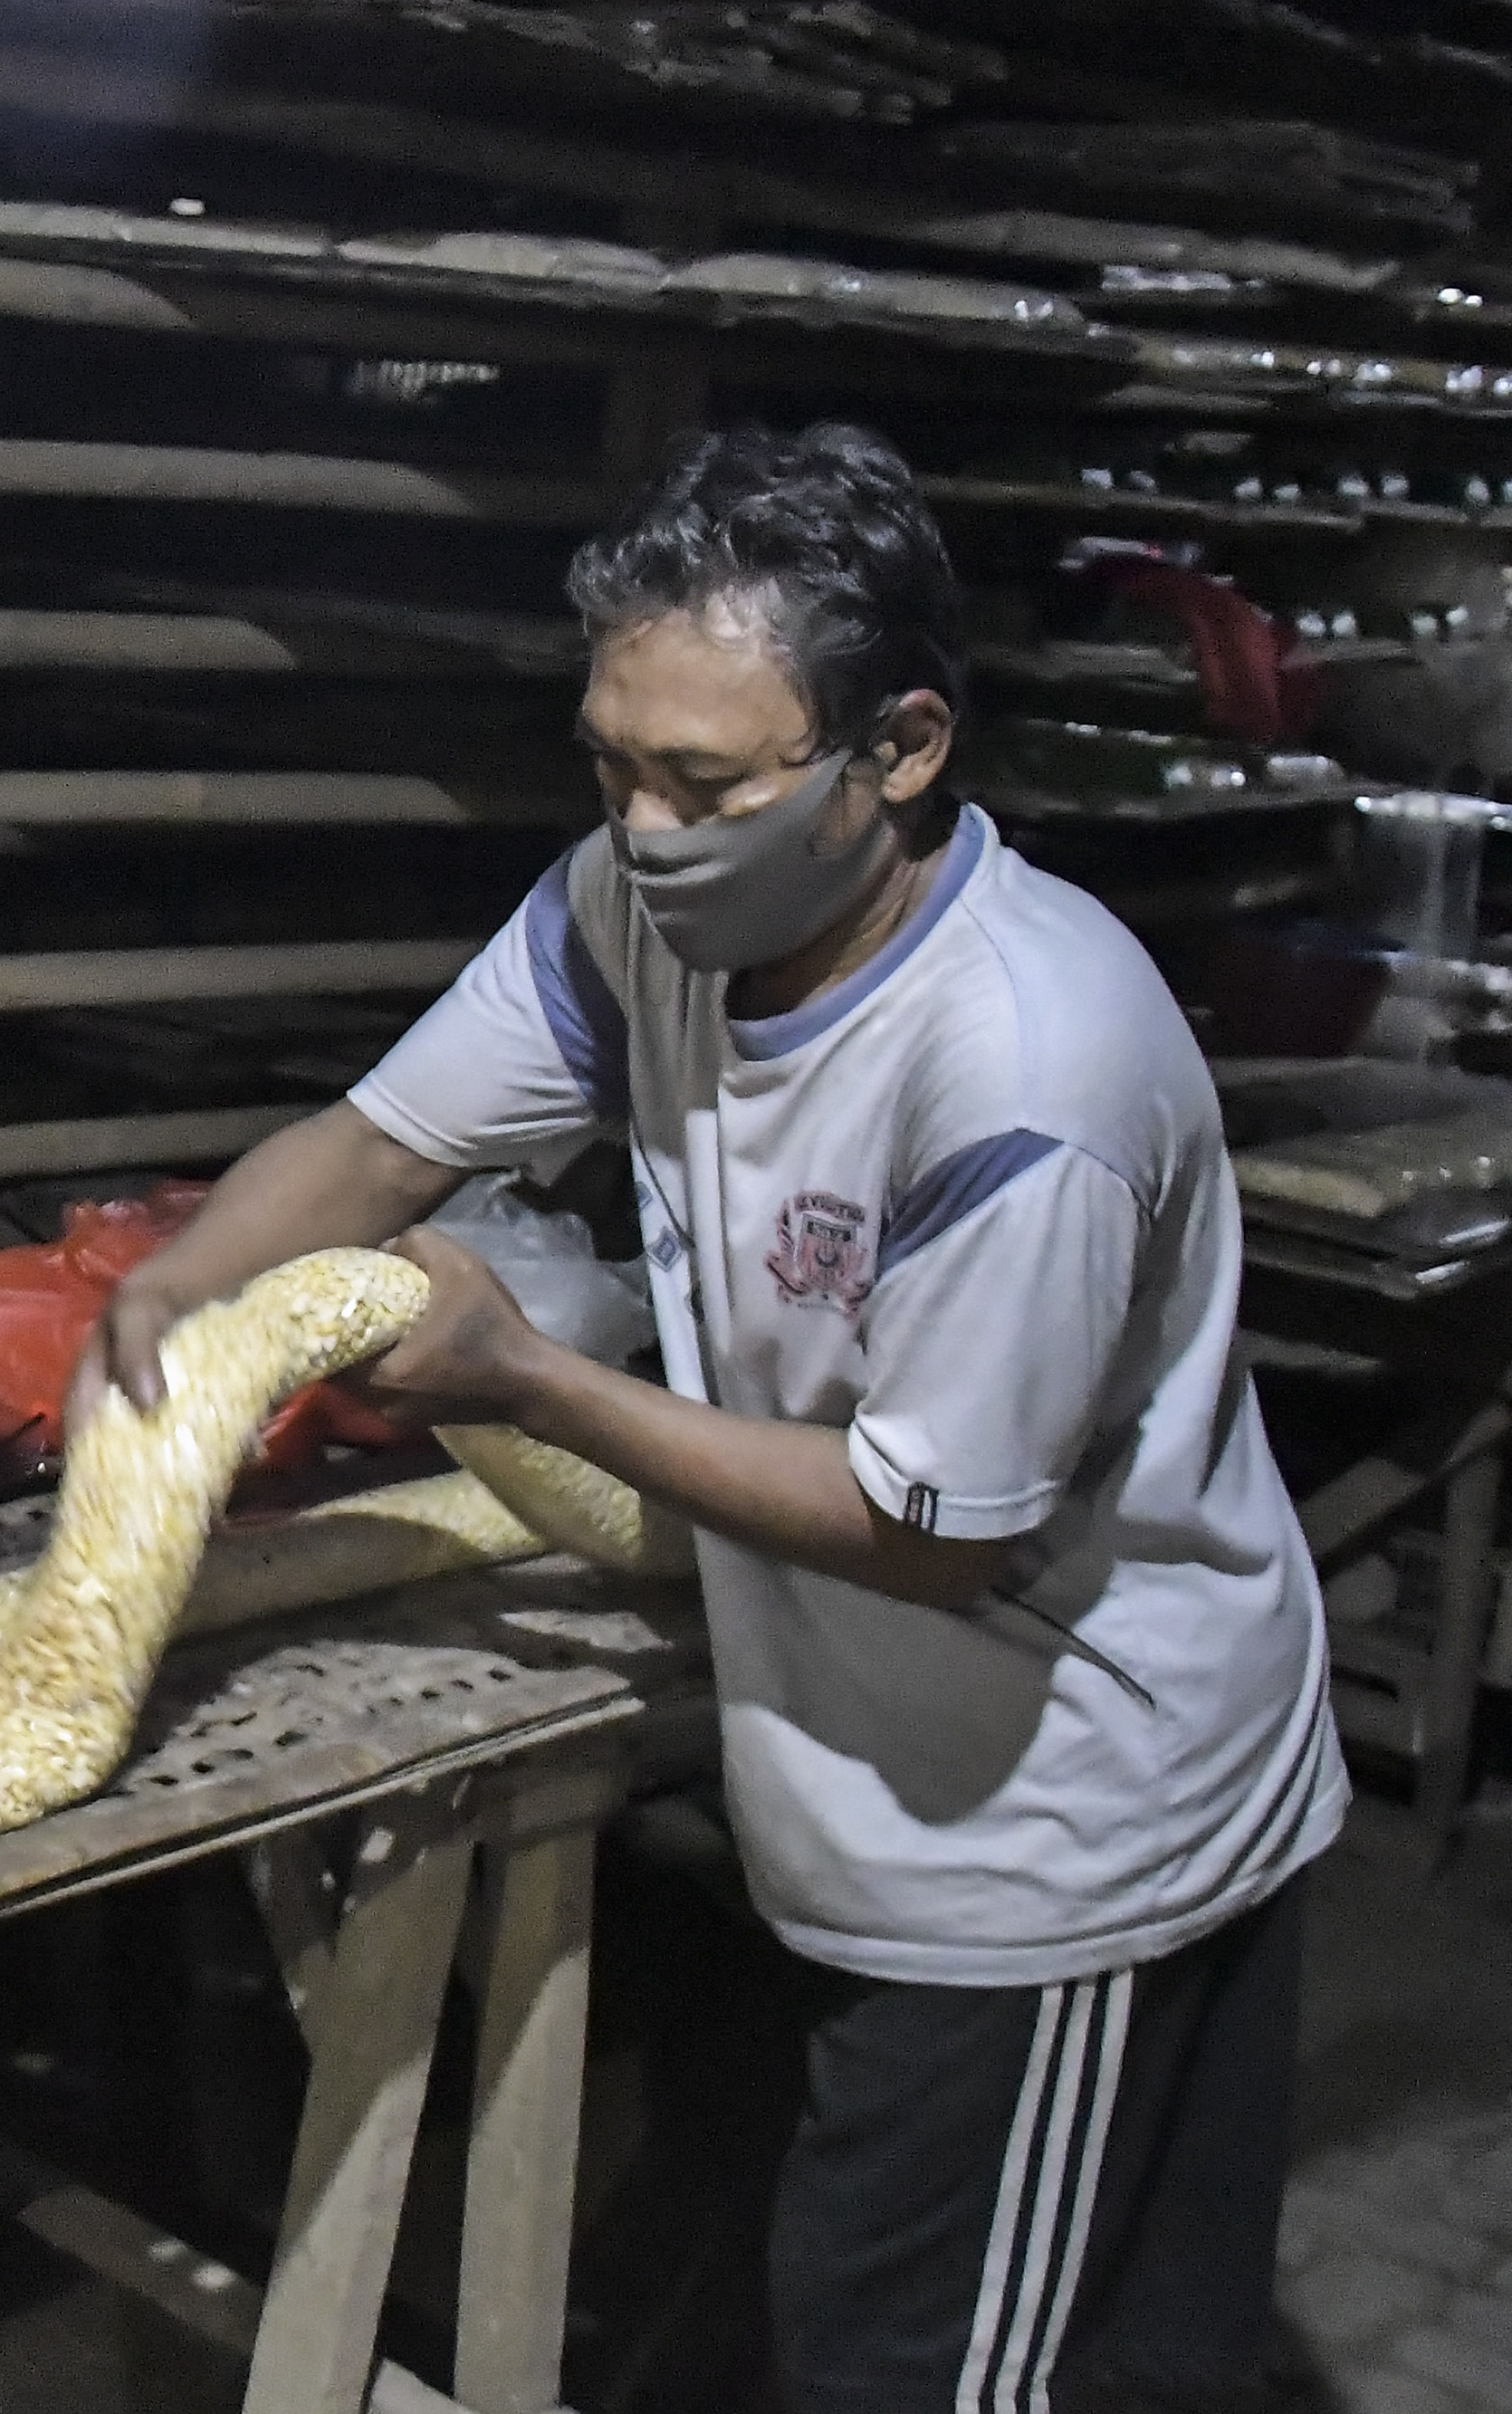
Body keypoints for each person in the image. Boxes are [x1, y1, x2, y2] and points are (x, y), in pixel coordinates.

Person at [81, 424, 1341, 2414]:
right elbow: (381, 1146)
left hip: (1065, 1827)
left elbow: (934, 1530)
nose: (645, 827)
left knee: (952, 2368)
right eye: (611, 767)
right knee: (831, 2313)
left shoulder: (1027, 1071)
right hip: (866, 1779)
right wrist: (171, 1290)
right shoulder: (636, 918)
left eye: (705, 783)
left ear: (897, 751)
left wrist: (525, 1377)